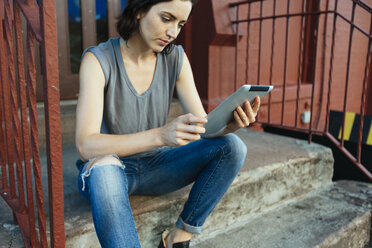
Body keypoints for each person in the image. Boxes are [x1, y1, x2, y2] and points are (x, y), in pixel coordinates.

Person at [75, 0, 261, 247]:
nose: (173, 32)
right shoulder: (98, 60)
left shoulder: (176, 59)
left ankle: (178, 237)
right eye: (166, 19)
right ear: (140, 11)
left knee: (233, 146)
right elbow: (86, 145)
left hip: (158, 166)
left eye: (180, 24)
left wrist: (231, 125)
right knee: (105, 169)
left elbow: (203, 128)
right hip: (110, 169)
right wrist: (161, 136)